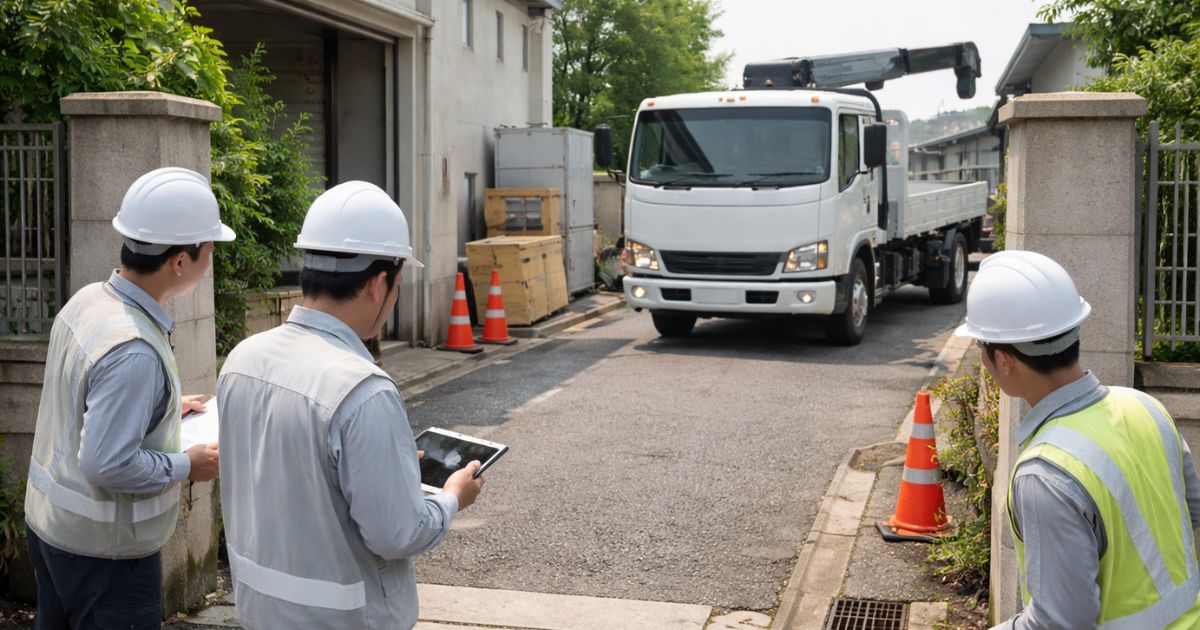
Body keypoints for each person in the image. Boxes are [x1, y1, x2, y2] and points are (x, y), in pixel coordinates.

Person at [217, 181, 486, 629]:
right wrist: (453, 497)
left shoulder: (243, 360)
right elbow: (397, 534)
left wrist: (388, 466)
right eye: (398, 284)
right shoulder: (363, 391)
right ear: (379, 284)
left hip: (259, 612)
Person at [24, 167, 235, 628]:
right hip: (105, 561)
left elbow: (85, 397)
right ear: (179, 262)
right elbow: (107, 464)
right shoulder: (134, 350)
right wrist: (187, 465)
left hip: (52, 531)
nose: (211, 259)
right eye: (208, 249)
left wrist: (162, 410)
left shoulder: (88, 301)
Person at [955, 250, 1200, 629]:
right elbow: (1190, 510)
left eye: (980, 347)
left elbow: (1058, 622)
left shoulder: (1045, 475)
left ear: (1003, 360)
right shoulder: (1146, 408)